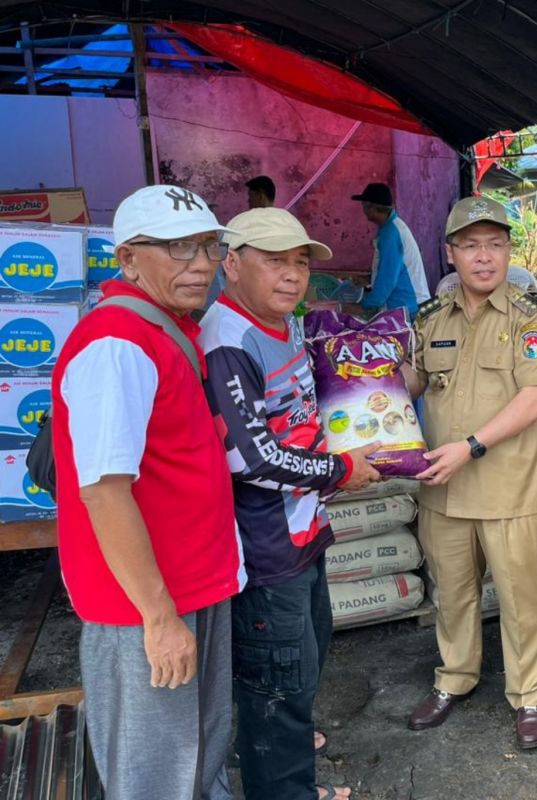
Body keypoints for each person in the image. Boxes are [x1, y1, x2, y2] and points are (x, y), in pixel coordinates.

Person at [50, 185, 244, 800]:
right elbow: (105, 494)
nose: (200, 263)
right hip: (148, 606)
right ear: (129, 258)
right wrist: (158, 619)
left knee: (200, 754)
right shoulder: (115, 345)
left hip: (195, 585)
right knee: (155, 775)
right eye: (178, 248)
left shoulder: (167, 329)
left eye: (210, 246)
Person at [200, 207, 383, 800]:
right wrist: (342, 469)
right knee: (275, 686)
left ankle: (283, 750)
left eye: (300, 262)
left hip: (304, 536)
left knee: (299, 671)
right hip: (265, 549)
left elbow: (306, 413)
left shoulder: (286, 325)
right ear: (231, 263)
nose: (291, 275)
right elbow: (251, 460)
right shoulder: (227, 341)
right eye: (273, 260)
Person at [404, 196, 537, 750]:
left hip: (509, 488)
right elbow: (413, 383)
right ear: (451, 254)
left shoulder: (530, 315)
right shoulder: (429, 319)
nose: (484, 257)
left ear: (508, 250)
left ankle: (532, 695)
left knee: (522, 599)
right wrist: (368, 377)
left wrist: (471, 446)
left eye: (495, 244)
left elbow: (535, 398)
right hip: (444, 490)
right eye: (471, 246)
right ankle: (454, 679)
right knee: (452, 594)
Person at [352, 182, 430, 317]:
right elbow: (393, 270)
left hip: (408, 309)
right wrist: (371, 278)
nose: (362, 209)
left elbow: (387, 281)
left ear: (371, 208)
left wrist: (364, 305)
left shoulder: (391, 234)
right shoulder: (391, 228)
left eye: (364, 205)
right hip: (409, 307)